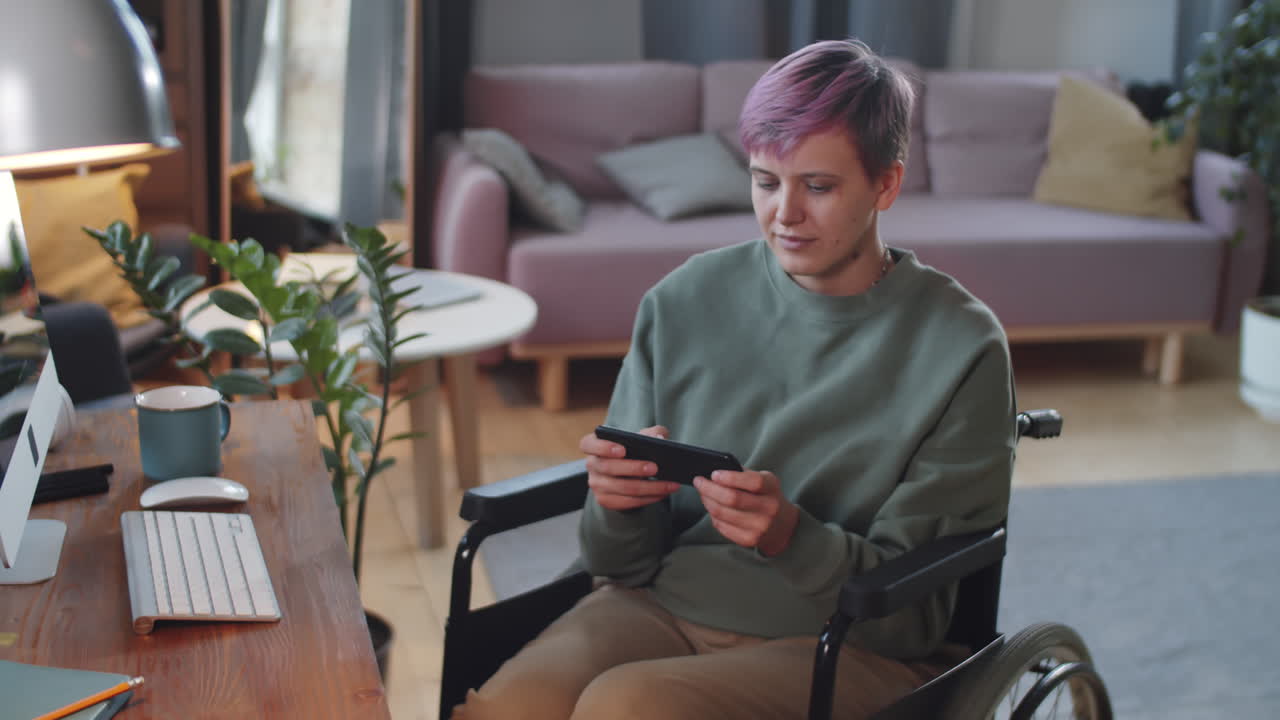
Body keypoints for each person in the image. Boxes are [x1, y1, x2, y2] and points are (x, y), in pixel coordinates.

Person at [452, 38, 1016, 720]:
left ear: (886, 184)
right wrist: (616, 503)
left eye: (819, 185)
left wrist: (788, 536)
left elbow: (910, 622)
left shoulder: (961, 346)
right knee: (508, 707)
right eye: (765, 180)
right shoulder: (685, 300)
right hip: (659, 602)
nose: (785, 214)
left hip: (851, 643)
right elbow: (620, 566)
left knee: (626, 707)